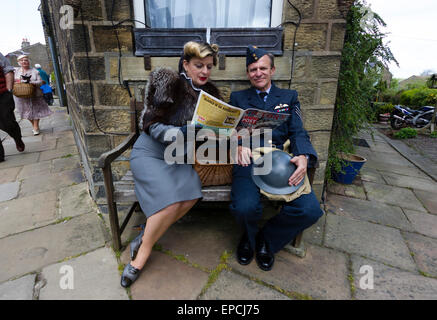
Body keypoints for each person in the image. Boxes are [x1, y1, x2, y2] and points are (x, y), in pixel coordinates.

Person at [120, 41, 222, 287]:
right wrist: (191, 133)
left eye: (209, 66)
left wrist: (221, 135)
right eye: (199, 65)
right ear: (185, 64)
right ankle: (141, 255)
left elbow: (207, 135)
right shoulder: (167, 81)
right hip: (151, 153)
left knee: (190, 195)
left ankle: (145, 234)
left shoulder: (212, 95)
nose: (205, 71)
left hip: (179, 157)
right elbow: (152, 126)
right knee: (171, 201)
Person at [228, 45, 323, 271]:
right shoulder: (238, 98)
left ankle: (265, 241)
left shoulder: (289, 97)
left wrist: (303, 155)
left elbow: (298, 131)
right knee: (244, 208)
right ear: (248, 73)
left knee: (309, 210)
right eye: (252, 69)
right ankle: (248, 239)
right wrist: (237, 144)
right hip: (248, 160)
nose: (257, 73)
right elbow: (227, 129)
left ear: (272, 70)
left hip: (279, 161)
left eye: (262, 68)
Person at [14, 55, 53, 135]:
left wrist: (31, 82)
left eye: (26, 60)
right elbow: (13, 81)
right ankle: (34, 125)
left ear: (29, 62)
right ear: (19, 62)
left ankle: (35, 127)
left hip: (34, 94)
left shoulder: (35, 71)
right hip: (21, 95)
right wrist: (18, 82)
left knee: (36, 111)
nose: (24, 62)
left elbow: (41, 82)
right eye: (21, 60)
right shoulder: (16, 71)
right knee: (25, 112)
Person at [0, 52, 25, 162]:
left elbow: (8, 70)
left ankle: (17, 138)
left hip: (2, 94)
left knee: (8, 122)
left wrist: (9, 90)